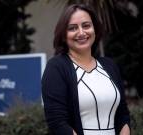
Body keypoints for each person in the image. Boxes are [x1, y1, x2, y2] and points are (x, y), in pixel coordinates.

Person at [41, 4, 131, 135]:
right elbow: (57, 123)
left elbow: (123, 115)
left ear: (95, 29)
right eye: (72, 28)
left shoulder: (109, 65)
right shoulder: (57, 67)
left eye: (86, 25)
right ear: (64, 35)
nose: (81, 33)